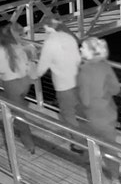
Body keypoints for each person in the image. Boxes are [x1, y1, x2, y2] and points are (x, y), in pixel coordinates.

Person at [33, 17, 84, 154]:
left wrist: (33, 75)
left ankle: (80, 144)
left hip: (63, 84)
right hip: (77, 80)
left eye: (44, 28)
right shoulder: (69, 38)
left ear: (48, 28)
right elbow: (78, 59)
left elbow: (42, 66)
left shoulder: (50, 43)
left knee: (68, 114)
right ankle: (93, 136)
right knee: (79, 110)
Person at [0, 22, 36, 154]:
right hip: (26, 83)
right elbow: (30, 67)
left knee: (19, 114)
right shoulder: (24, 47)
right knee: (17, 105)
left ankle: (28, 141)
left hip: (12, 85)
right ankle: (13, 111)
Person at [77, 37, 121, 184]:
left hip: (90, 118)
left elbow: (85, 100)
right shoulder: (105, 66)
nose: (80, 49)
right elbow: (116, 89)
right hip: (108, 114)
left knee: (92, 151)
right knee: (110, 149)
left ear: (91, 51)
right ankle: (116, 180)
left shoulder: (84, 70)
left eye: (83, 47)